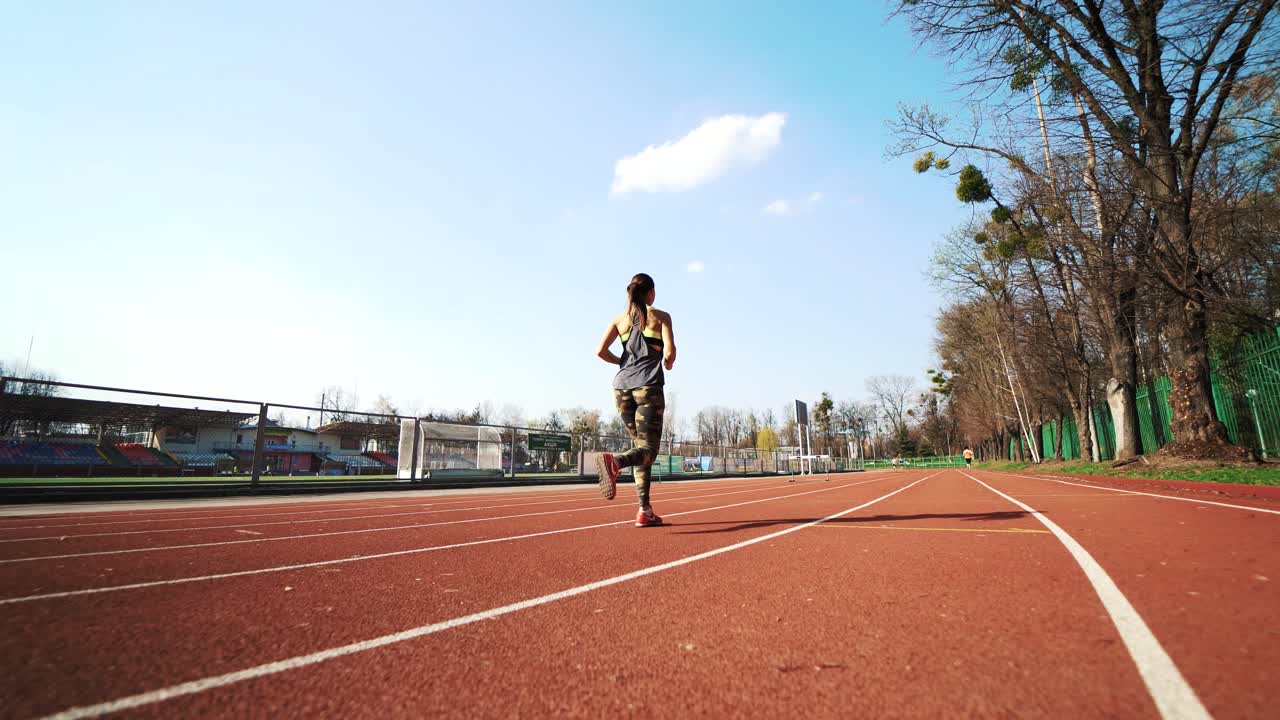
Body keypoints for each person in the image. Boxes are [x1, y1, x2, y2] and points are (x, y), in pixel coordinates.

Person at [594, 272, 676, 527]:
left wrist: (622, 362)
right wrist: (666, 361)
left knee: (641, 448)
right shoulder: (661, 317)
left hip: (621, 389)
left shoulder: (620, 320)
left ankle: (645, 510)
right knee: (649, 450)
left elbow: (599, 351)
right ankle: (615, 462)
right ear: (651, 292)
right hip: (648, 387)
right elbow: (671, 353)